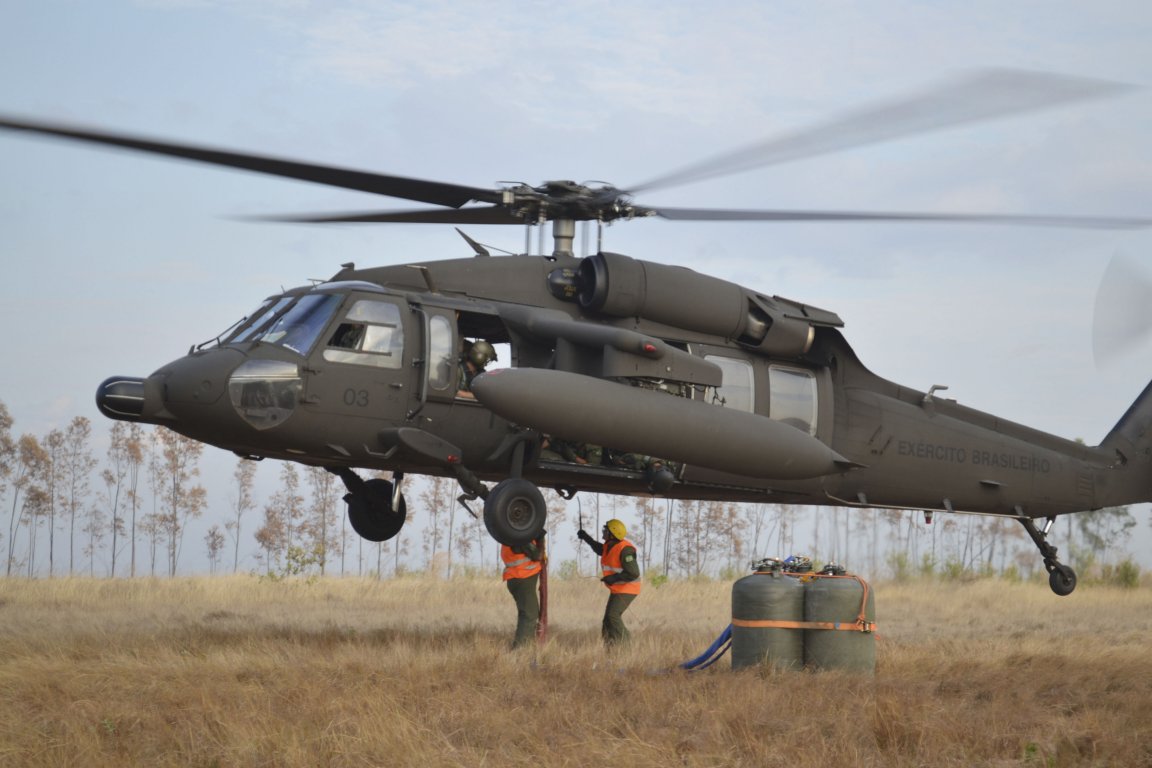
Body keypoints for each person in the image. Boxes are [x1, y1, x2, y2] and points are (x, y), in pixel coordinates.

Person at [577, 519, 641, 645]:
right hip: (618, 589)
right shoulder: (609, 545)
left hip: (628, 588)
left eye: (605, 530)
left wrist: (613, 578)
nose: (603, 532)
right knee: (607, 620)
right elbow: (599, 549)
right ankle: (610, 648)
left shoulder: (626, 550)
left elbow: (634, 573)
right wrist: (585, 537)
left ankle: (626, 645)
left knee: (613, 616)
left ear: (612, 533)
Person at [501, 537, 544, 648]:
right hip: (523, 577)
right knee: (530, 615)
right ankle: (521, 650)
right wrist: (541, 538)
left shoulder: (507, 532)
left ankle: (523, 646)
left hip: (517, 577)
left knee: (525, 614)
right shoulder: (521, 536)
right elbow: (538, 555)